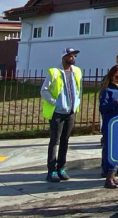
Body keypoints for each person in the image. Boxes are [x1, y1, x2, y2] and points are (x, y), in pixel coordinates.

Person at [40, 48, 82, 183]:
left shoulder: (76, 71)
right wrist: (55, 102)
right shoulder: (54, 72)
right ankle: (51, 170)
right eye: (70, 55)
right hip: (58, 112)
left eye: (74, 56)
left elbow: (78, 89)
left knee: (65, 140)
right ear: (63, 57)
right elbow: (44, 90)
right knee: (55, 141)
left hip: (70, 112)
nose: (73, 58)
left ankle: (61, 168)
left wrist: (77, 103)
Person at [98, 65, 118, 188]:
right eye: (117, 77)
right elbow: (103, 108)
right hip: (110, 124)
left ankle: (113, 174)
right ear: (111, 77)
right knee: (110, 150)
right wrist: (116, 103)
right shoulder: (107, 91)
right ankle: (108, 174)